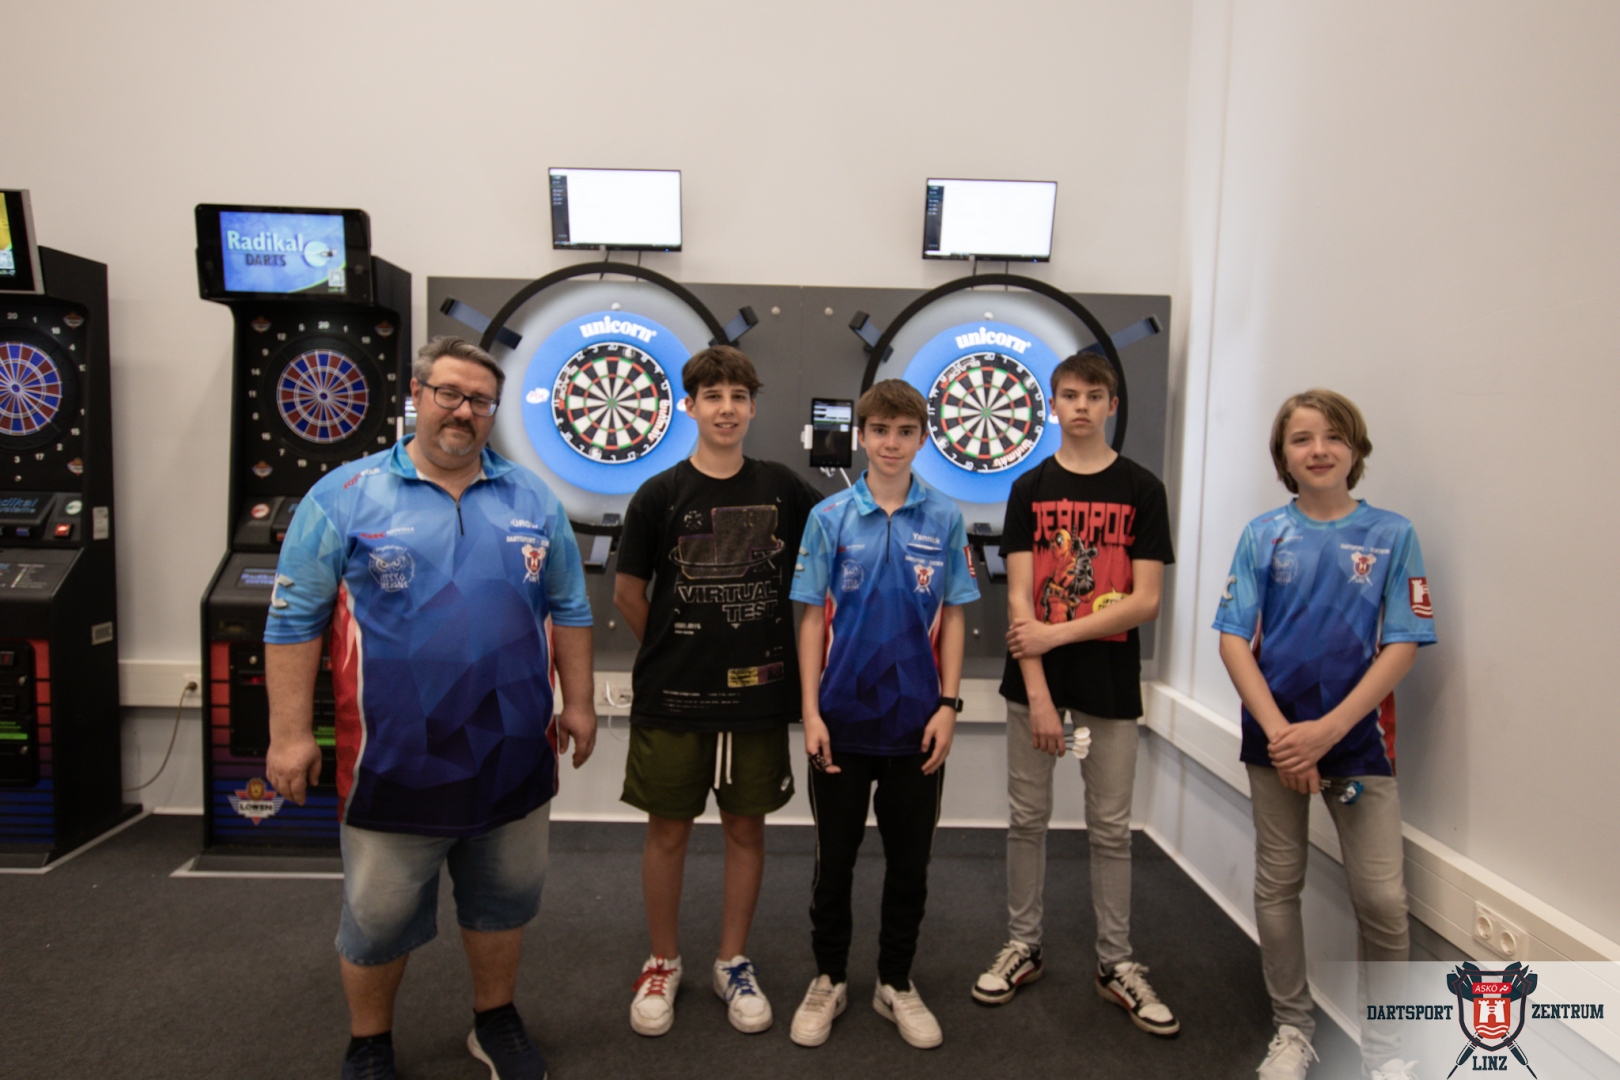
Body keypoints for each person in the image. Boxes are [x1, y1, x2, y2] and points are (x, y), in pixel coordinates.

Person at [264, 336, 597, 1080]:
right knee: (378, 918)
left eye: (480, 400)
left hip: (513, 751)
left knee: (504, 900)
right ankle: (369, 1042)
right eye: (448, 393)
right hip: (394, 760)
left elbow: (571, 608)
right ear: (416, 395)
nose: (463, 411)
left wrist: (578, 702)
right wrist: (288, 734)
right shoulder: (343, 495)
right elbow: (292, 622)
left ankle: (495, 1019)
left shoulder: (534, 498)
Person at [1214, 390, 1434, 1080]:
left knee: (1383, 902)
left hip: (1360, 742)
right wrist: (1286, 736)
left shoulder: (1393, 535)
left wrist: (1328, 732)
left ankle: (1385, 1052)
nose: (1319, 450)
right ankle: (1293, 1029)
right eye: (1302, 439)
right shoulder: (1262, 535)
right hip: (1274, 739)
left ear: (1356, 449)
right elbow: (1233, 640)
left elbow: (1403, 642)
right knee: (1279, 883)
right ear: (1283, 456)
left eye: (1334, 437)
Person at [612, 345, 823, 1037]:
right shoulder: (660, 494)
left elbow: (836, 539)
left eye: (737, 396)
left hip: (757, 695)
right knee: (667, 829)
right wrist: (676, 649)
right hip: (674, 696)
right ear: (690, 406)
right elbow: (628, 593)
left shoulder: (783, 488)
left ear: (753, 407)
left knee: (746, 828)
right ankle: (662, 962)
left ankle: (732, 961)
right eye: (712, 396)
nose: (726, 408)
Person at [971, 351, 1180, 1037]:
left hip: (1108, 680)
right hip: (1035, 681)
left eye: (1094, 395)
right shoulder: (1029, 488)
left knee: (1111, 828)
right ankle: (1022, 945)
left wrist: (1055, 636)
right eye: (1069, 394)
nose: (1081, 406)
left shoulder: (1142, 489)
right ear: (1052, 404)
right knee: (1027, 819)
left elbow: (1145, 601)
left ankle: (1115, 961)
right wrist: (1037, 694)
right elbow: (1020, 601)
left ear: (1112, 405)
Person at [787, 379, 978, 1050]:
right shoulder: (829, 517)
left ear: (922, 439)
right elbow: (811, 621)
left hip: (917, 725)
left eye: (905, 432)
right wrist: (809, 712)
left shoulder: (945, 518)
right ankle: (829, 977)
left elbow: (956, 616)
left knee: (910, 865)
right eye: (880, 431)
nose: (891, 443)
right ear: (861, 437)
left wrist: (949, 705)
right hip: (840, 722)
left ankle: (895, 980)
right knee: (832, 863)